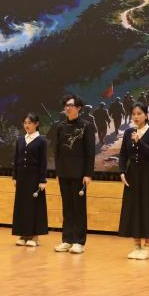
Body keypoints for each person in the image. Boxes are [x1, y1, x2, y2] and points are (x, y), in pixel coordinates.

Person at [113, 102, 149, 259]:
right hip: (132, 175)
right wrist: (122, 172)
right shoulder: (129, 132)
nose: (136, 117)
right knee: (133, 208)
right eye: (133, 114)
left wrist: (139, 141)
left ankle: (146, 247)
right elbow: (123, 154)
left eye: (139, 114)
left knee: (147, 209)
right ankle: (136, 246)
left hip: (147, 176)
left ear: (146, 115)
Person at [54, 94, 95, 254]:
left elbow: (90, 152)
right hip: (64, 172)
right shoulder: (60, 126)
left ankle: (78, 241)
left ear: (78, 108)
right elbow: (57, 151)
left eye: (70, 105)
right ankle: (67, 240)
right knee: (67, 207)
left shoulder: (86, 126)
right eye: (66, 105)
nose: (67, 108)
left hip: (79, 174)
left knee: (78, 208)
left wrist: (88, 174)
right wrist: (58, 172)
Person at [12, 113, 48, 247]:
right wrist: (15, 177)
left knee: (34, 206)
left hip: (35, 178)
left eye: (30, 123)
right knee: (22, 206)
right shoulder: (20, 140)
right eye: (25, 123)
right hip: (22, 178)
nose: (27, 125)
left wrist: (42, 180)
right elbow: (16, 159)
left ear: (36, 124)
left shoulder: (41, 140)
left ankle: (34, 237)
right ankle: (23, 234)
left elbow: (43, 162)